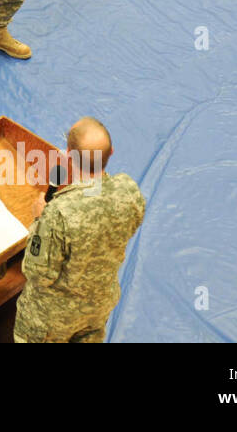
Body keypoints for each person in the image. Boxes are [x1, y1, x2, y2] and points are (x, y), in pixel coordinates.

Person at [15, 117, 146, 343]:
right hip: (98, 307)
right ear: (111, 152)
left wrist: (39, 220)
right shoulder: (129, 192)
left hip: (54, 319)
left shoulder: (58, 213)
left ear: (69, 155)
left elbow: (37, 274)